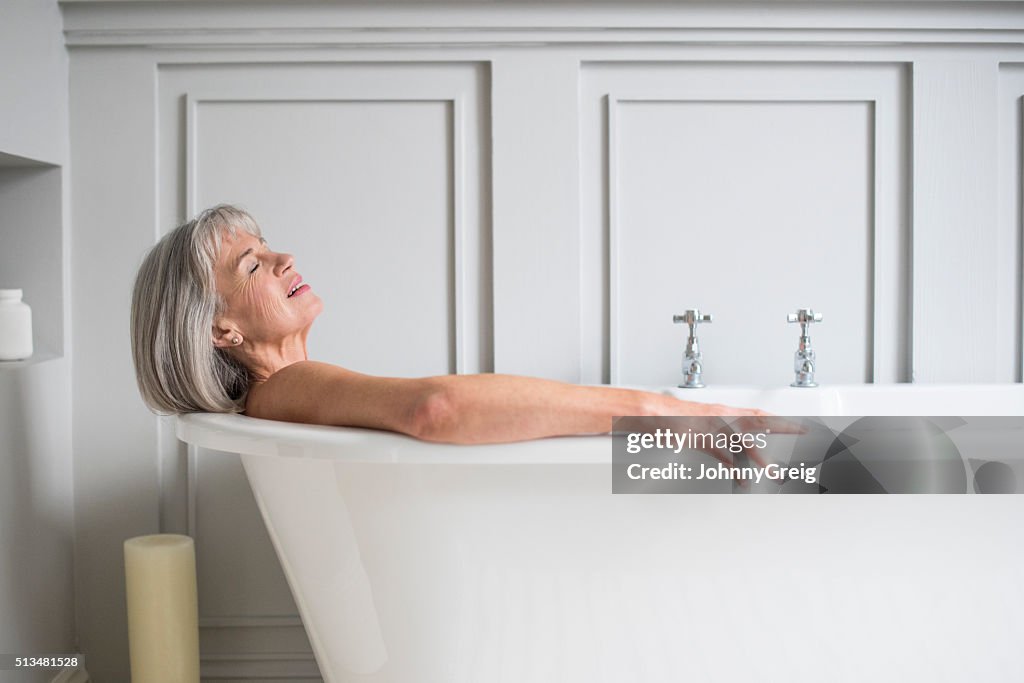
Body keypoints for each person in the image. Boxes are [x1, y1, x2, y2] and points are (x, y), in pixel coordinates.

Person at [130, 204, 777, 461]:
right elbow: (434, 409)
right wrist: (660, 412)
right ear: (220, 329)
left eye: (269, 246)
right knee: (817, 460)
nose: (284, 259)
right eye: (253, 264)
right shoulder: (284, 390)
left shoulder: (282, 400)